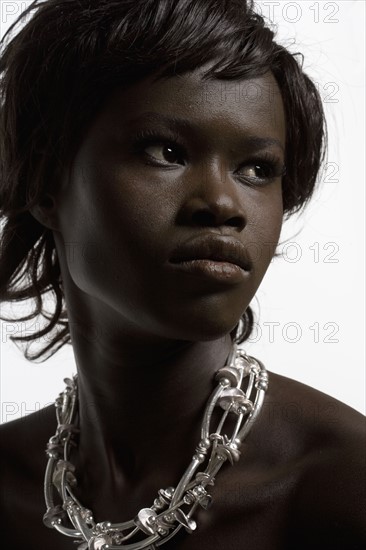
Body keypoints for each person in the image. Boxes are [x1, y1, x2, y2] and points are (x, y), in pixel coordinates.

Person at [0, 0, 364, 548]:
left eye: (257, 169)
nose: (222, 203)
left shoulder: (340, 488)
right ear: (45, 182)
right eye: (165, 151)